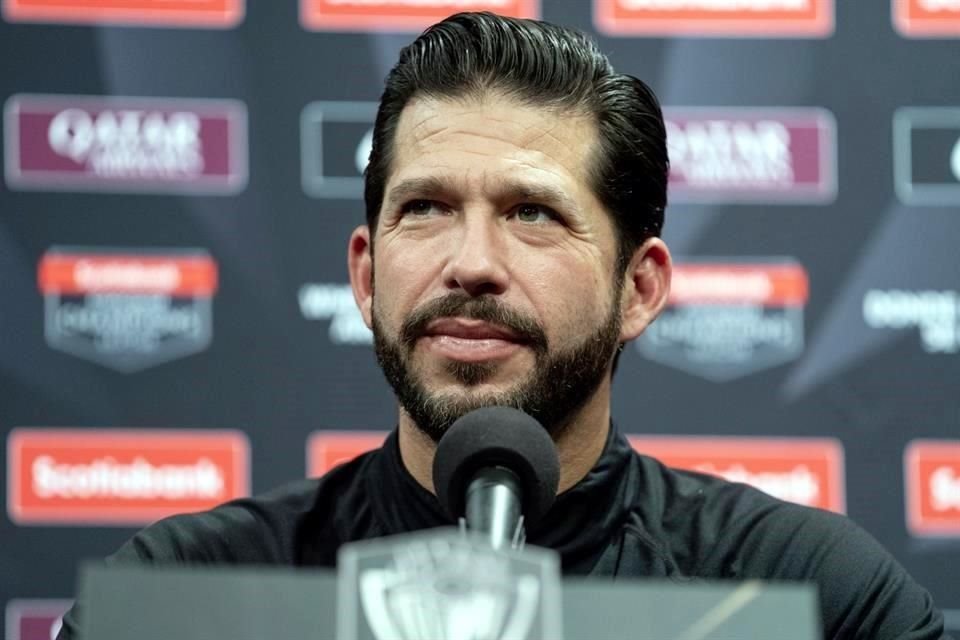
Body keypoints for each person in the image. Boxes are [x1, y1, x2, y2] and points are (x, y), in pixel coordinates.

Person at [58, 11, 950, 640]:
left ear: (639, 288)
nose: (472, 262)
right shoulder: (182, 596)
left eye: (532, 213)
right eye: (426, 208)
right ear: (365, 275)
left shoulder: (814, 597)